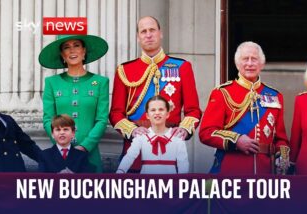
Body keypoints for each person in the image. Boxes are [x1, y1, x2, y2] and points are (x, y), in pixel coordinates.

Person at [110, 16, 201, 172]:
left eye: (152, 30)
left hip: (171, 146)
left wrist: (184, 129)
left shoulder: (182, 67)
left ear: (160, 33)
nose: (148, 34)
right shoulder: (124, 70)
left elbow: (193, 110)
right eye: (143, 31)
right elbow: (116, 113)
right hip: (135, 148)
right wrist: (132, 130)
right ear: (138, 37)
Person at [199, 41, 290, 175]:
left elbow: (281, 139)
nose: (249, 63)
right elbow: (206, 132)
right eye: (245, 59)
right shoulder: (222, 93)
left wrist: (283, 157)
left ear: (262, 64)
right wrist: (236, 140)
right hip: (232, 171)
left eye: (254, 59)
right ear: (237, 63)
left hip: (264, 172)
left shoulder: (275, 96)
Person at [39, 34, 109, 173]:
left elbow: (101, 120)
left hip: (89, 154)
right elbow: (48, 119)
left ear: (84, 52)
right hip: (60, 155)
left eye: (76, 45)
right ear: (62, 55)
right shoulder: (52, 82)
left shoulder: (100, 82)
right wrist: (62, 145)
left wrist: (84, 147)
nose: (72, 51)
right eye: (66, 47)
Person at [116, 96, 189, 174]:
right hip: (147, 182)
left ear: (167, 114)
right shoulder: (141, 136)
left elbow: (183, 162)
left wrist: (182, 181)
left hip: (170, 182)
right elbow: (129, 156)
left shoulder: (177, 136)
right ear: (147, 115)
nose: (157, 113)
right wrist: (120, 172)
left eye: (161, 109)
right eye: (153, 110)